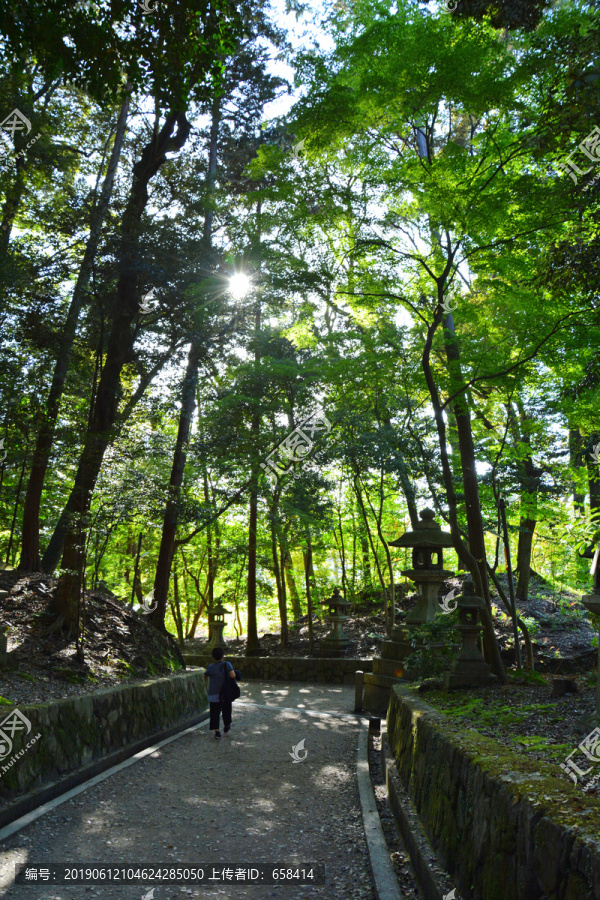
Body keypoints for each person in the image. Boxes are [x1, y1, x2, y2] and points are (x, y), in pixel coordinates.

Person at [204, 647, 236, 739]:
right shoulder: (227, 664)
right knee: (226, 710)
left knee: (214, 712)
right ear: (223, 655)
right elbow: (232, 675)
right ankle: (226, 725)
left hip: (213, 693)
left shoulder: (211, 667)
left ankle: (217, 732)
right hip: (225, 693)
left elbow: (205, 675)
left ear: (213, 656)